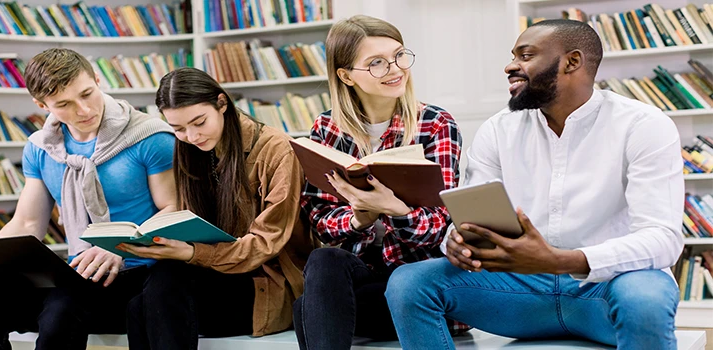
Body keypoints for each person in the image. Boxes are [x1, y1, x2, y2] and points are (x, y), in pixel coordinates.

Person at [385, 19, 684, 350]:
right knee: (409, 283)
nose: (510, 66)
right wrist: (454, 241)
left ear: (572, 62)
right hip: (520, 294)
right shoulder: (497, 130)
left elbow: (663, 240)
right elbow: (468, 220)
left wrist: (560, 260)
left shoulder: (643, 125)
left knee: (645, 297)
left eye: (525, 56)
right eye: (513, 56)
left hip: (607, 290)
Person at [0, 48, 177, 349]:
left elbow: (175, 208)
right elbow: (27, 222)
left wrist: (118, 245)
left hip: (139, 273)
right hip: (79, 274)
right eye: (64, 104)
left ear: (98, 80)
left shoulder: (151, 137)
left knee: (58, 315)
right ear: (41, 105)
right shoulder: (40, 148)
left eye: (88, 94)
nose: (84, 110)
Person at [292, 15, 465, 350]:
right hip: (366, 274)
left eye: (399, 55)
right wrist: (361, 217)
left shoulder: (434, 124)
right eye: (376, 63)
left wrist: (394, 209)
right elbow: (321, 222)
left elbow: (438, 225)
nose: (395, 69)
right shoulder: (327, 128)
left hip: (421, 280)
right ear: (346, 76)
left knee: (305, 311)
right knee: (324, 263)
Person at [116, 67, 317, 349]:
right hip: (214, 274)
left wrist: (190, 252)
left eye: (199, 122)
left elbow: (263, 245)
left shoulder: (276, 150)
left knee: (150, 300)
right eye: (179, 128)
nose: (192, 135)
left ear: (222, 104)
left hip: (264, 285)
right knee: (145, 299)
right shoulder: (189, 150)